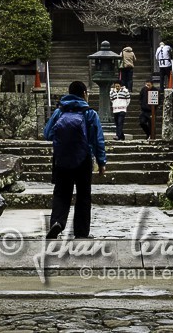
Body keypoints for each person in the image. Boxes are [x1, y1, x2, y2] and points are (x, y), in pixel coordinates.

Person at [43, 80, 106, 239]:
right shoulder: (90, 113)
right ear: (84, 94)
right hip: (84, 159)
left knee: (61, 193)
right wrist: (101, 162)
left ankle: (57, 222)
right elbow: (99, 141)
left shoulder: (60, 112)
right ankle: (81, 232)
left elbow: (47, 134)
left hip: (62, 159)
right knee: (83, 196)